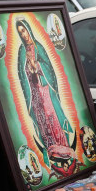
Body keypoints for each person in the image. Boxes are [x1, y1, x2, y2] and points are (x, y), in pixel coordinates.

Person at [16, 19, 73, 166]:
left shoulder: (38, 46)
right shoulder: (21, 51)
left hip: (45, 90)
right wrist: (29, 68)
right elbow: (21, 74)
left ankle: (63, 149)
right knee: (41, 121)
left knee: (51, 116)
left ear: (29, 30)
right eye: (20, 32)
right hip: (34, 92)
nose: (23, 34)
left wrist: (38, 66)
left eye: (24, 30)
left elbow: (49, 67)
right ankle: (51, 151)